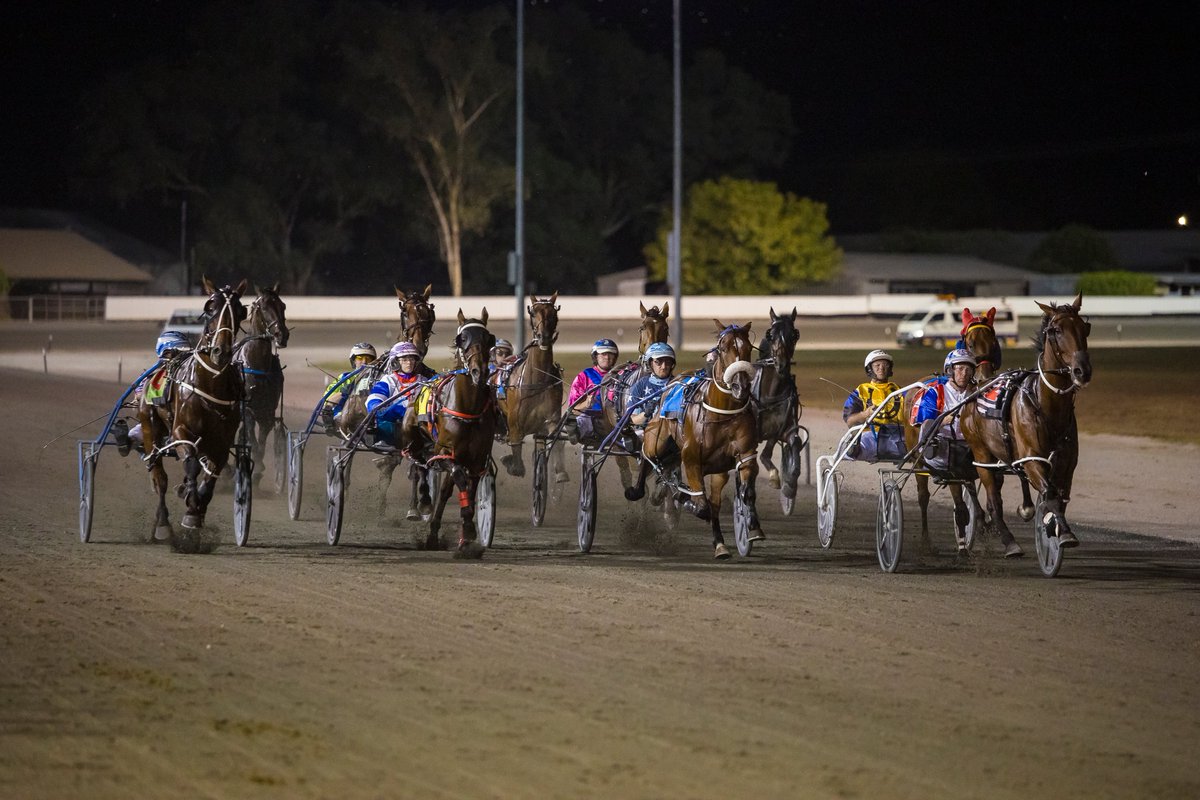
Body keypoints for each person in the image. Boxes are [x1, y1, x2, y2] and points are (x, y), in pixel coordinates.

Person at [115, 330, 192, 456]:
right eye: (181, 349)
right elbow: (139, 398)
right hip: (157, 422)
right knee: (138, 432)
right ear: (165, 351)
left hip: (188, 422)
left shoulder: (189, 376)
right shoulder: (149, 376)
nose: (185, 354)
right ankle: (126, 442)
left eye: (187, 349)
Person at [914, 348, 977, 475]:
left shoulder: (975, 393)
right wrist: (942, 421)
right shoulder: (935, 393)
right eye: (959, 369)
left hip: (969, 451)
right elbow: (926, 425)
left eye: (967, 369)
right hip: (940, 454)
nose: (964, 374)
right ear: (949, 370)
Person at [842, 349, 905, 461]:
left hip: (897, 436)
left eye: (885, 365)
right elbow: (850, 421)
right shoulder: (861, 391)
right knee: (856, 449)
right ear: (869, 369)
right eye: (877, 365)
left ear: (890, 368)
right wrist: (865, 414)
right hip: (870, 436)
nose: (881, 368)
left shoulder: (899, 390)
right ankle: (854, 447)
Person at [365, 341, 425, 448]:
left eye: (412, 359)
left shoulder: (423, 381)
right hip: (395, 423)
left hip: (417, 422)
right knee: (382, 417)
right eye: (405, 359)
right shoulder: (389, 380)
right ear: (395, 362)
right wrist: (375, 406)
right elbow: (374, 398)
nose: (409, 363)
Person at [564, 338, 619, 443]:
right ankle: (575, 431)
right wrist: (586, 404)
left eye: (610, 354)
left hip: (615, 419)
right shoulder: (584, 376)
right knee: (582, 420)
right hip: (591, 419)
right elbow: (573, 409)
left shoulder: (621, 375)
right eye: (603, 354)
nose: (607, 357)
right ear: (595, 356)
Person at [320, 342, 377, 431]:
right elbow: (326, 399)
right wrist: (343, 393)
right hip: (343, 413)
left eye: (368, 358)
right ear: (353, 360)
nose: (364, 361)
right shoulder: (345, 378)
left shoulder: (378, 378)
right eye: (360, 358)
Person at [627, 342, 677, 429]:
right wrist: (646, 413)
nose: (664, 366)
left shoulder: (677, 385)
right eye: (658, 362)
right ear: (650, 363)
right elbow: (632, 420)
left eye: (668, 362)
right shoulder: (641, 385)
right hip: (644, 432)